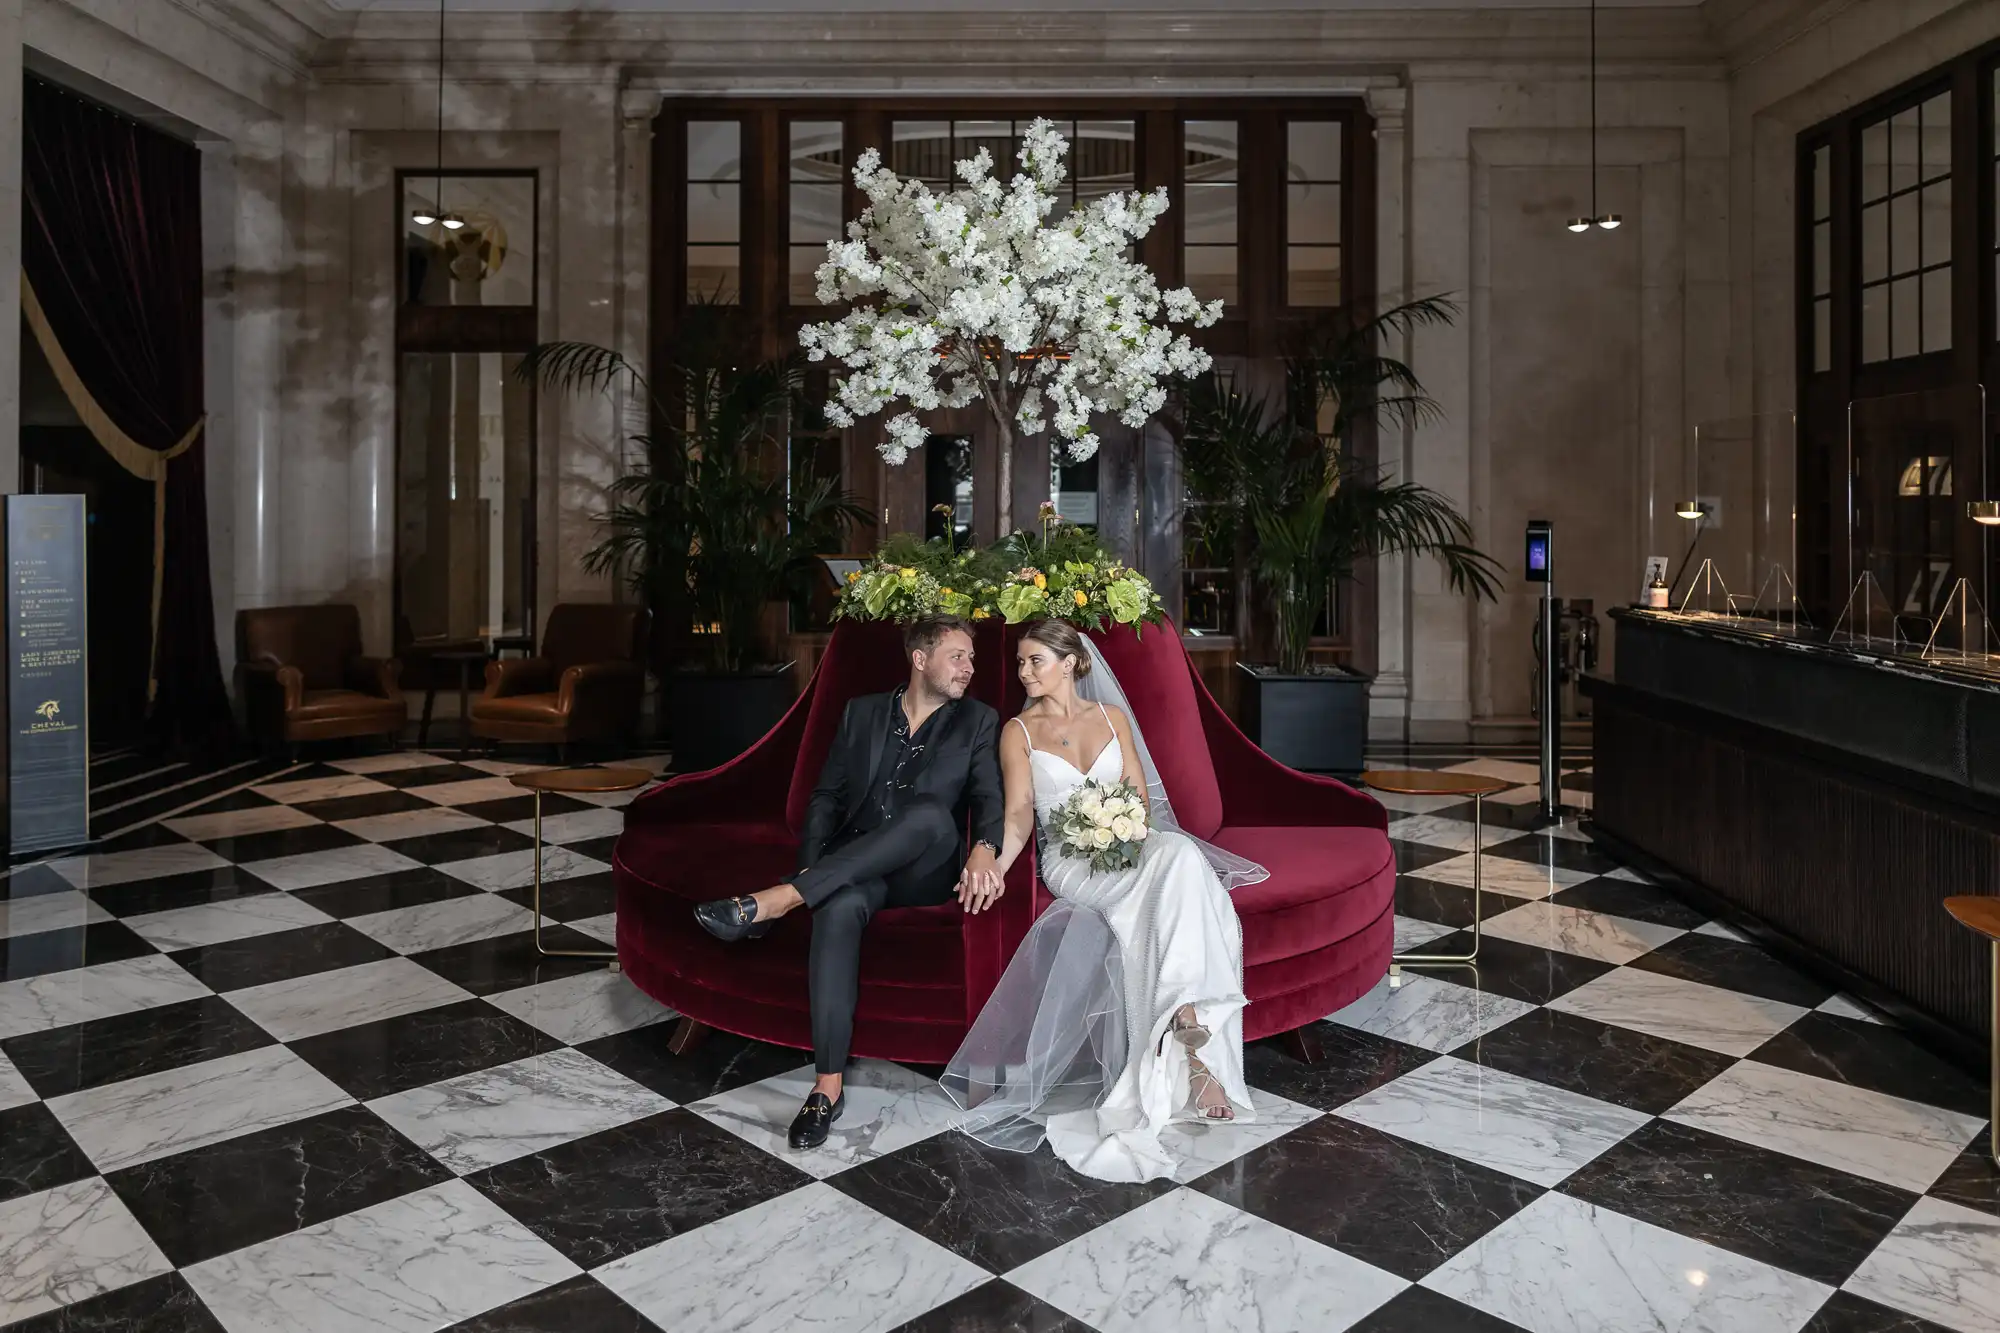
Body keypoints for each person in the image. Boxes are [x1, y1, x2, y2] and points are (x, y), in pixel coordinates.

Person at [943, 617, 1259, 1184]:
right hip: (1075, 863)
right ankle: (1194, 1052)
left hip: (1133, 847)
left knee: (1181, 860)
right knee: (1182, 875)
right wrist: (992, 862)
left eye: (1035, 660)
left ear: (1072, 663)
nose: (1023, 671)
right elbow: (1018, 816)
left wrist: (1125, 831)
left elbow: (1140, 800)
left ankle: (1188, 1035)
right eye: (1019, 662)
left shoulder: (1112, 719)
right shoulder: (1017, 731)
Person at [693, 614, 1005, 1150]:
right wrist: (817, 865)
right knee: (838, 908)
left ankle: (777, 900)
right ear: (920, 658)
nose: (968, 669)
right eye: (957, 656)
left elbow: (990, 801)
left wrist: (987, 846)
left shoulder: (977, 720)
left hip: (924, 869)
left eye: (971, 659)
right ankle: (826, 1088)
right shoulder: (861, 713)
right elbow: (826, 797)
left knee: (930, 812)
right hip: (857, 864)